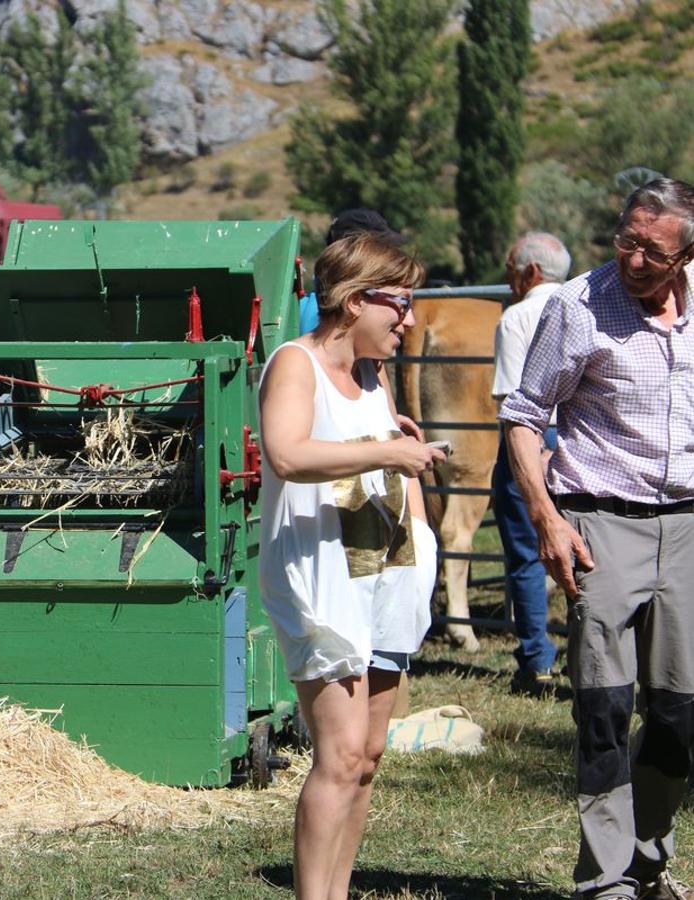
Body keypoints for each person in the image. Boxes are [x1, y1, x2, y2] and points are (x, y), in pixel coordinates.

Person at [501, 178, 694, 900]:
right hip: (600, 522)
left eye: (655, 249)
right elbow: (523, 417)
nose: (636, 259)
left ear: (688, 255)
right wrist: (548, 519)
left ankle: (649, 859)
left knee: (679, 712)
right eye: (627, 240)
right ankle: (605, 880)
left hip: (687, 526)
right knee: (606, 706)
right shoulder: (577, 306)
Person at [258, 234, 444, 900]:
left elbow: (390, 449)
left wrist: (421, 538)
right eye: (400, 304)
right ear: (356, 299)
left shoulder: (375, 372)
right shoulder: (295, 365)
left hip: (385, 574)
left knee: (366, 759)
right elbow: (286, 454)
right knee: (336, 758)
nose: (410, 320)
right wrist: (389, 456)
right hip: (320, 579)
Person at [491, 232, 571, 697]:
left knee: (525, 551)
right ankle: (586, 653)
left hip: (531, 436)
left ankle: (537, 660)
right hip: (580, 438)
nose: (508, 280)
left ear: (530, 273)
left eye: (510, 270)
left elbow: (509, 397)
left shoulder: (517, 317)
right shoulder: (587, 308)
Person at [298, 209, 408, 335]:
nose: (387, 258)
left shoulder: (306, 305)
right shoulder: (332, 313)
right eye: (379, 250)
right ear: (353, 253)